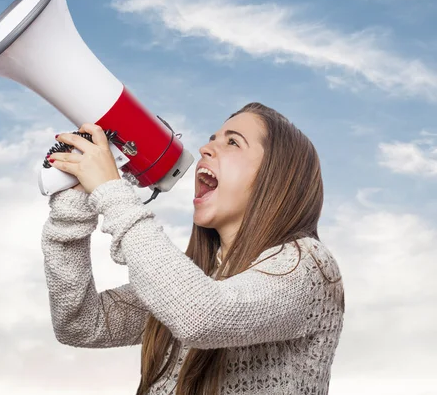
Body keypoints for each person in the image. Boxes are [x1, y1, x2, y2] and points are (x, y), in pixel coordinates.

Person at [41, 102, 345, 395]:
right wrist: (73, 205)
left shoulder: (309, 266)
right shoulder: (196, 279)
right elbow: (80, 323)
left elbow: (201, 316)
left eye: (233, 143)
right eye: (212, 138)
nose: (205, 148)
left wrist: (111, 191)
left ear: (276, 176)